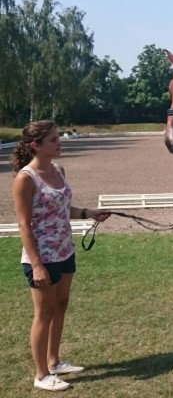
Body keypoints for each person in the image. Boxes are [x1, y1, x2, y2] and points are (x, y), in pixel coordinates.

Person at [10, 120, 110, 392]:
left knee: (61, 305)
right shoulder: (25, 178)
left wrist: (88, 213)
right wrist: (37, 265)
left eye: (58, 137)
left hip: (65, 250)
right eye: (53, 139)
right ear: (36, 146)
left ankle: (54, 362)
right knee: (43, 313)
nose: (59, 142)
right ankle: (41, 375)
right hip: (41, 257)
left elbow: (63, 209)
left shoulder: (58, 169)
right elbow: (24, 225)